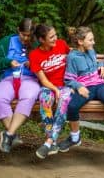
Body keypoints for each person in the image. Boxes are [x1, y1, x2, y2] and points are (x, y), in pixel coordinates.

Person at [58, 26, 104, 154]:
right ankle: (75, 137)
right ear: (80, 42)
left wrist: (101, 66)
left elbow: (96, 62)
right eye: (90, 40)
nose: (93, 42)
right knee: (72, 107)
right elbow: (68, 79)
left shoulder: (90, 50)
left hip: (99, 85)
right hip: (85, 88)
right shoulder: (72, 57)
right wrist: (79, 87)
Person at [0, 18, 40, 153]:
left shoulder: (36, 45)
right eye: (23, 34)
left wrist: (32, 64)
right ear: (18, 31)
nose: (26, 38)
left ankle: (8, 134)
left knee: (29, 95)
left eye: (29, 36)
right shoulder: (7, 41)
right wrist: (8, 62)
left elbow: (44, 63)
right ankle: (12, 135)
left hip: (29, 79)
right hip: (8, 78)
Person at [29, 24, 72, 159]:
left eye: (55, 35)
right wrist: (54, 89)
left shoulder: (62, 44)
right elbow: (43, 80)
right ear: (42, 40)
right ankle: (52, 141)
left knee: (63, 102)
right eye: (51, 37)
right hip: (49, 86)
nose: (56, 38)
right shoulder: (35, 55)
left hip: (66, 85)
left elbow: (76, 57)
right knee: (45, 100)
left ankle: (48, 142)